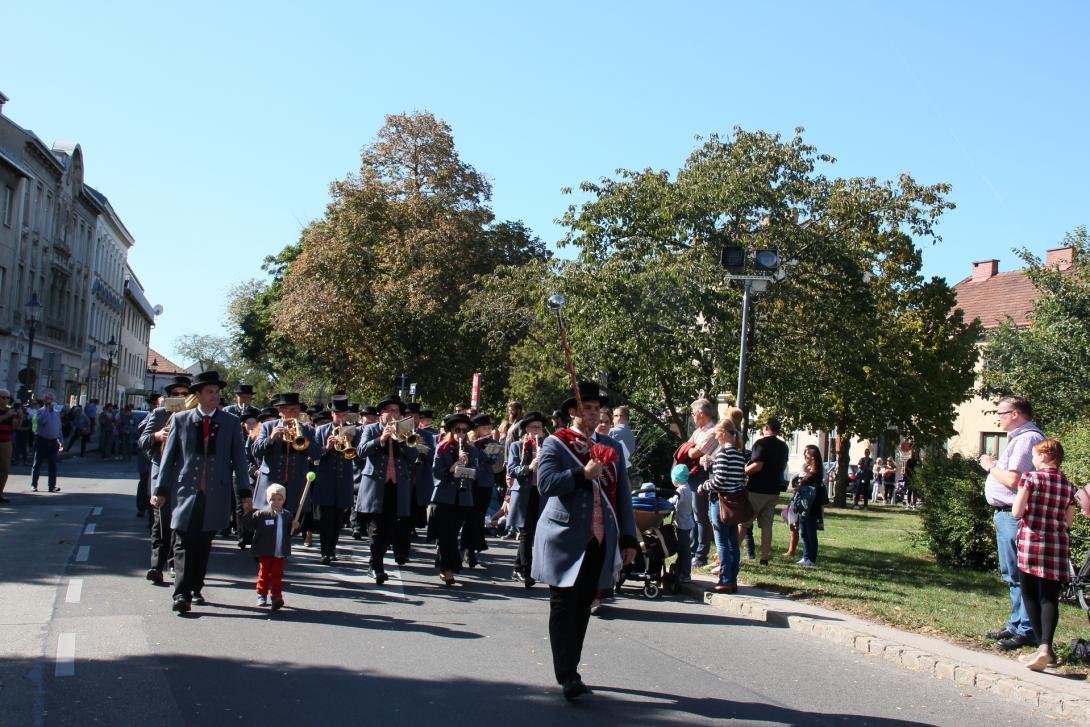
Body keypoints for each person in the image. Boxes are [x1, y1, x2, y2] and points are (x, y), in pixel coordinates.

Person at [533, 381, 638, 701]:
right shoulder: (556, 443)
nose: (593, 414)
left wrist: (629, 537)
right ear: (573, 412)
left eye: (597, 409)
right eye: (586, 409)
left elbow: (622, 495)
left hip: (600, 537)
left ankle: (572, 666)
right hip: (564, 536)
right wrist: (581, 474)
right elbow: (546, 483)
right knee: (563, 605)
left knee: (583, 606)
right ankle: (567, 674)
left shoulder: (613, 447)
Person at [151, 371, 252, 614]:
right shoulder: (181, 420)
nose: (215, 396)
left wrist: (245, 493)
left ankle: (196, 586)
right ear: (198, 395)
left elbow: (239, 459)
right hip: (186, 491)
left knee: (204, 543)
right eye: (210, 392)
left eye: (217, 392)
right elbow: (169, 458)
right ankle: (181, 594)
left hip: (216, 492)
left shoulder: (229, 422)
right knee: (183, 541)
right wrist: (161, 490)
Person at [979, 395, 1044, 650]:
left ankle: (1027, 629)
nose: (997, 417)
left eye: (1001, 413)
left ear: (1015, 414)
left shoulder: (1027, 439)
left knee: (1020, 573)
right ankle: (1016, 623)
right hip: (1006, 514)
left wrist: (989, 465)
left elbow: (1014, 481)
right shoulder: (1020, 438)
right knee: (1012, 573)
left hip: (1013, 515)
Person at [1012, 439, 1075, 671]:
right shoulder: (1069, 485)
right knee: (1049, 597)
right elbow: (1068, 522)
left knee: (1029, 594)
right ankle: (1046, 648)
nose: (1034, 460)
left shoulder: (1030, 478)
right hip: (1057, 544)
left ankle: (1042, 647)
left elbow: (1017, 512)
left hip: (1031, 541)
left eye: (1036, 456)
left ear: (1046, 457)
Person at [354, 394, 417, 583]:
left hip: (397, 485)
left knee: (390, 527)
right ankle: (376, 566)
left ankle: (376, 563)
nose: (392, 414)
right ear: (381, 414)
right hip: (376, 484)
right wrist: (381, 439)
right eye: (388, 410)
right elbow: (361, 451)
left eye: (395, 411)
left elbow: (413, 457)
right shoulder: (371, 428)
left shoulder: (406, 430)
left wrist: (403, 441)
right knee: (376, 527)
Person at [138, 375, 192, 583]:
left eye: (184, 394)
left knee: (179, 525)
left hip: (185, 476)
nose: (180, 397)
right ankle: (156, 566)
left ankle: (173, 562)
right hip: (162, 474)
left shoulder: (193, 416)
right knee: (160, 523)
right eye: (176, 395)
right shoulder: (160, 413)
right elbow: (142, 441)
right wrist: (158, 435)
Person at [431, 413, 482, 585]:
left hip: (462, 498)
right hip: (444, 496)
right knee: (445, 534)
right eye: (457, 430)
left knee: (452, 534)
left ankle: (445, 565)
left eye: (464, 430)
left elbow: (476, 474)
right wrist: (452, 468)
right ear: (451, 431)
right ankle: (448, 569)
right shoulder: (442, 447)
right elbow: (437, 472)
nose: (461, 433)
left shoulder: (472, 449)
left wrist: (467, 466)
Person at [312, 396, 359, 565]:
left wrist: (350, 443)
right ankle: (325, 551)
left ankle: (332, 549)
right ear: (332, 414)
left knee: (338, 519)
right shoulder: (321, 430)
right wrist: (327, 447)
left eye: (344, 414)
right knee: (326, 518)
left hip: (344, 480)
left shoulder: (354, 430)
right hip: (326, 480)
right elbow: (315, 456)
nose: (341, 418)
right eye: (338, 414)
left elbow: (358, 455)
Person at [704, 418, 746, 593]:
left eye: (716, 433)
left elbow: (719, 480)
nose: (715, 436)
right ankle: (733, 578)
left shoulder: (723, 454)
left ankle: (725, 579)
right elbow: (740, 478)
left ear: (723, 433)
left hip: (721, 501)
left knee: (721, 542)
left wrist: (704, 485)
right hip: (734, 501)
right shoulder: (738, 453)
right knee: (732, 542)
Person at [507, 411, 548, 586]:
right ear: (525, 429)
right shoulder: (517, 446)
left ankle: (517, 567)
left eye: (539, 428)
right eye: (533, 427)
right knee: (526, 532)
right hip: (524, 492)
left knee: (532, 532)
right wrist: (529, 467)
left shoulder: (547, 445)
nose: (536, 431)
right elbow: (511, 468)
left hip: (541, 492)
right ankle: (525, 570)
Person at [741, 418, 788, 565]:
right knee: (767, 525)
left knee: (744, 522)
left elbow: (758, 465)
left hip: (757, 489)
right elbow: (784, 464)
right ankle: (764, 558)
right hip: (773, 490)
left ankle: (732, 552)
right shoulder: (783, 446)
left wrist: (743, 471)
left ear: (767, 428)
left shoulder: (761, 443)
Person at [243, 483, 293, 610]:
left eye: (279, 499)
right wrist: (247, 512)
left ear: (284, 500)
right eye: (273, 499)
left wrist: (295, 526)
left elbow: (290, 532)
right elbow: (249, 525)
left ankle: (276, 596)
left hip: (280, 551)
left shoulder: (287, 515)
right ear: (268, 500)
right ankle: (261, 594)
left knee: (276, 575)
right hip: (265, 550)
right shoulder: (262, 514)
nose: (276, 502)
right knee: (264, 573)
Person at [462, 413, 502, 568]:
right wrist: (471, 447)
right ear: (477, 429)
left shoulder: (492, 442)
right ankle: (466, 549)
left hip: (485, 483)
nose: (488, 430)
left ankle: (471, 549)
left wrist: (490, 453)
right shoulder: (469, 442)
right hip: (470, 482)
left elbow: (495, 465)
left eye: (489, 427)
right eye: (485, 428)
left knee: (478, 518)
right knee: (469, 517)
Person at [683, 398, 718, 568]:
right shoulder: (699, 431)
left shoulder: (712, 431)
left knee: (701, 516)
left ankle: (701, 554)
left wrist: (690, 449)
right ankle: (692, 550)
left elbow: (693, 453)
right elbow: (687, 448)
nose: (692, 417)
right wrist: (689, 449)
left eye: (693, 413)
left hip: (702, 476)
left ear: (701, 414)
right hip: (693, 475)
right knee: (693, 515)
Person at [794, 445, 825, 567]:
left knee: (811, 533)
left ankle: (811, 559)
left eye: (806, 455)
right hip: (803, 505)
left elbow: (807, 486)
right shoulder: (809, 470)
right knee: (803, 533)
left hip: (811, 506)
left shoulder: (816, 472)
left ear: (812, 457)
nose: (805, 457)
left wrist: (800, 486)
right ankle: (805, 556)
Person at [30, 392, 64, 493]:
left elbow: (59, 427)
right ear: (45, 401)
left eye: (52, 399)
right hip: (42, 440)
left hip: (53, 441)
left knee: (53, 464)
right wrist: (48, 410)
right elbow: (42, 422)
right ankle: (34, 485)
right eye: (48, 399)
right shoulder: (40, 411)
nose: (50, 401)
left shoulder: (57, 413)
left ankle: (52, 486)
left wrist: (61, 440)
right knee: (37, 463)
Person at [668, 464, 694, 584]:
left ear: (676, 479)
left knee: (684, 549)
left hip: (682, 524)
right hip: (687, 521)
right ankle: (681, 569)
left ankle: (685, 573)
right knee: (684, 548)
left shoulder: (681, 491)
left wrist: (664, 503)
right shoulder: (688, 487)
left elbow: (673, 503)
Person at [0, 389, 15, 503]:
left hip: (6, 442)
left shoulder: (9, 410)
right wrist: (6, 415)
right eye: (3, 397)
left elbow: (15, 427)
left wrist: (18, 417)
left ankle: (0, 493)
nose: (5, 400)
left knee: (5, 469)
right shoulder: (7, 412)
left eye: (7, 398)